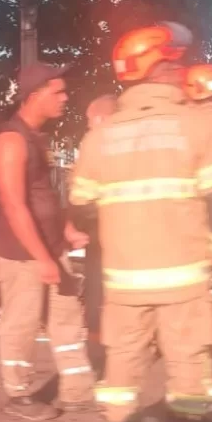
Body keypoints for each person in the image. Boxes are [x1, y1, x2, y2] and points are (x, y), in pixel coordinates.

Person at [70, 22, 212, 422]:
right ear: (164, 69)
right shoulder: (200, 126)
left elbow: (81, 206)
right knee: (190, 370)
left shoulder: (100, 137)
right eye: (176, 66)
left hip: (124, 281)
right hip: (186, 280)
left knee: (122, 370)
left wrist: (124, 234)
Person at [0, 62, 95, 422]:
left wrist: (67, 230)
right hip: (24, 256)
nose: (65, 98)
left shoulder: (36, 137)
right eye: (58, 92)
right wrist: (43, 258)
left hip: (52, 248)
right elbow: (14, 205)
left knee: (66, 321)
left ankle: (77, 393)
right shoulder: (10, 141)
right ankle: (18, 395)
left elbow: (45, 195)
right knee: (21, 324)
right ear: (34, 95)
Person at [82, 95, 117, 364]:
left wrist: (76, 224)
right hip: (129, 235)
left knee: (96, 291)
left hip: (99, 230)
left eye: (88, 120)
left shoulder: (95, 145)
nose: (87, 126)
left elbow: (82, 196)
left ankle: (97, 353)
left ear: (100, 118)